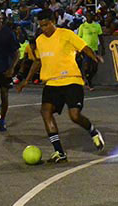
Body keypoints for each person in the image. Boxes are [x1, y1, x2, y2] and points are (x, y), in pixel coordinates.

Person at [17, 10, 105, 162]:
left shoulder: (66, 34)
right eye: (41, 26)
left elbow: (84, 47)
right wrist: (27, 79)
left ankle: (93, 132)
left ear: (53, 21)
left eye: (46, 24)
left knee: (75, 116)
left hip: (71, 80)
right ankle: (59, 152)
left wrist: (94, 56)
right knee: (45, 112)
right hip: (51, 82)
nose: (43, 28)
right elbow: (38, 61)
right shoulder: (39, 40)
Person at [78, 12, 103, 90]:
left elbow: (100, 37)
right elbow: (79, 38)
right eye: (88, 16)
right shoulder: (82, 26)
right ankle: (89, 82)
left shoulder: (97, 26)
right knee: (86, 65)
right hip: (85, 49)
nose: (89, 17)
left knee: (95, 67)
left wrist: (103, 47)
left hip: (94, 49)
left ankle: (89, 78)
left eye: (90, 16)